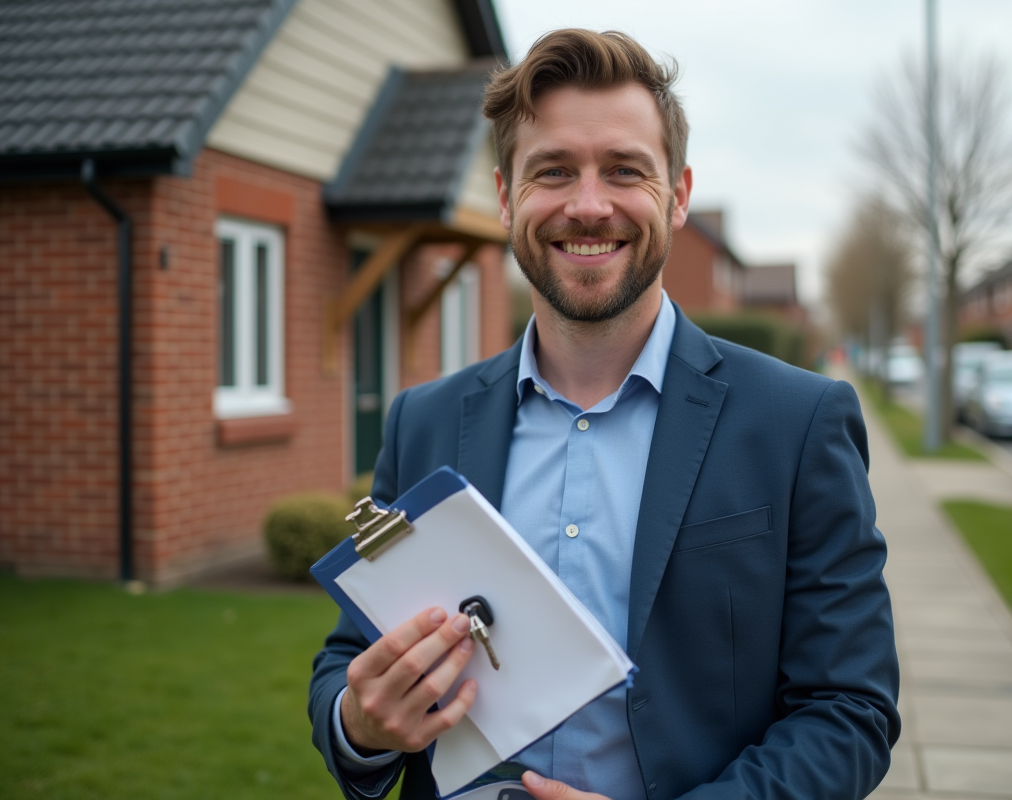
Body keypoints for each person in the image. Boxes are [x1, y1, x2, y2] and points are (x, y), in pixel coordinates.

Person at [310, 29, 900, 800]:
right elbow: (352, 653)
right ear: (505, 197)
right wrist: (358, 722)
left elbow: (848, 710)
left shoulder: (798, 422)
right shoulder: (421, 420)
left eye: (625, 170)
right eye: (553, 171)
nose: (588, 206)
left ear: (678, 195)